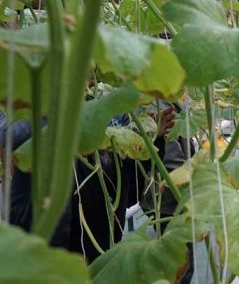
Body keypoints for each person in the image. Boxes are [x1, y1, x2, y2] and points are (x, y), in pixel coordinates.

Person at [1, 103, 175, 262]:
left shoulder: (111, 112)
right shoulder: (25, 105)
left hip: (97, 245)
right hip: (41, 244)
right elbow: (11, 135)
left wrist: (150, 138)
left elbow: (131, 191)